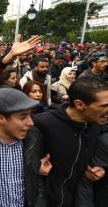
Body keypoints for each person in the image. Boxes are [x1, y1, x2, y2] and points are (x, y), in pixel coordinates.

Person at [0, 88, 51, 207]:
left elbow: (37, 184)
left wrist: (35, 168)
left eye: (30, 115)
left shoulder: (34, 136)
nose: (30, 122)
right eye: (23, 117)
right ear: (1, 118)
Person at [32, 76, 108, 207]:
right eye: (104, 106)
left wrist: (101, 169)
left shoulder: (97, 124)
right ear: (79, 104)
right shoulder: (42, 123)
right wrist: (33, 167)